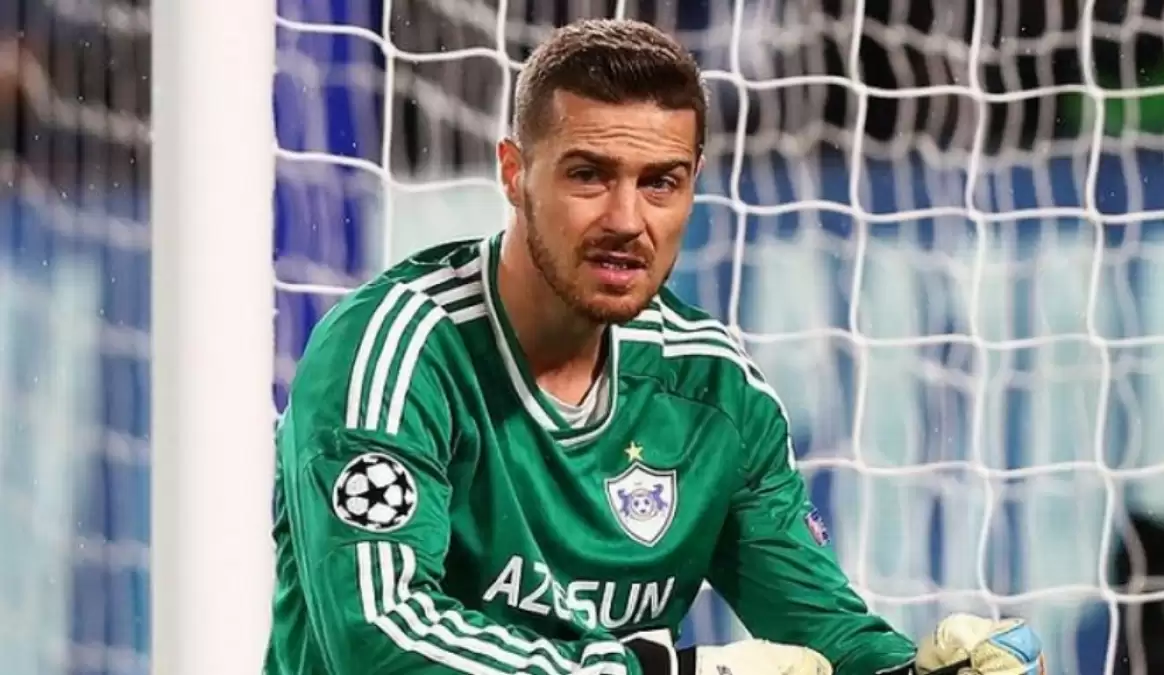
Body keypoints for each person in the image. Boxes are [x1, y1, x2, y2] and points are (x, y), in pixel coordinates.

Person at [263, 18, 1045, 675]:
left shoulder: (712, 388)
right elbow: (378, 636)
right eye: (588, 175)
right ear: (514, 173)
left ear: (694, 181)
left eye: (660, 182)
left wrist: (918, 670)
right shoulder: (394, 354)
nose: (626, 220)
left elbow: (823, 634)